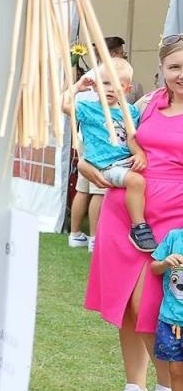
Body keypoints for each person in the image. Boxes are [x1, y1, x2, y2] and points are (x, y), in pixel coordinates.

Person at [86, 35, 183, 391]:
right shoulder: (148, 104)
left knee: (152, 304)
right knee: (125, 302)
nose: (181, 75)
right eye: (175, 67)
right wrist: (89, 168)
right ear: (161, 68)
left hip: (172, 217)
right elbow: (102, 136)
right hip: (125, 206)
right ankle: (134, 387)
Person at [64, 57, 149, 251]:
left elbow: (131, 139)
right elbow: (63, 105)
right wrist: (77, 86)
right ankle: (139, 228)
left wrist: (139, 154)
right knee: (135, 183)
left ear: (127, 89)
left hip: (124, 162)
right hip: (104, 166)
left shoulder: (131, 112)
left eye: (117, 85)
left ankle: (117, 233)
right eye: (105, 83)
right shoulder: (88, 109)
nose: (110, 89)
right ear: (95, 86)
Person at [69, 37, 129, 249]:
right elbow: (68, 106)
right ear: (112, 53)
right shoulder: (101, 75)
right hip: (101, 147)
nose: (122, 54)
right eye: (120, 51)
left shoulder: (97, 73)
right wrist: (77, 87)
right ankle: (94, 238)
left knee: (84, 189)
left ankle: (76, 233)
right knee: (97, 191)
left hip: (90, 143)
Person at [147, 229, 183, 391]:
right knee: (175, 369)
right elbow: (154, 268)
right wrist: (165, 263)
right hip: (170, 319)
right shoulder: (174, 237)